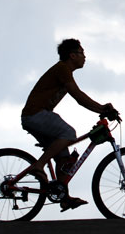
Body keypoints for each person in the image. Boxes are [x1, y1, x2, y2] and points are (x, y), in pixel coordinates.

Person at [21, 38, 116, 212]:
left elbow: (79, 97)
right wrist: (101, 108)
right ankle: (39, 165)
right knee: (69, 133)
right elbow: (78, 97)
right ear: (72, 55)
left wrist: (101, 109)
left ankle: (64, 198)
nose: (85, 57)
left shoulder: (65, 71)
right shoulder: (62, 69)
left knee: (64, 158)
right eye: (82, 53)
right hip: (35, 115)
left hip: (36, 116)